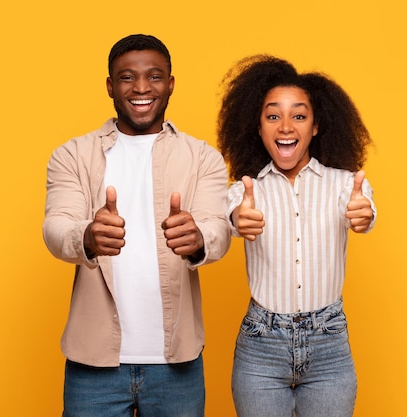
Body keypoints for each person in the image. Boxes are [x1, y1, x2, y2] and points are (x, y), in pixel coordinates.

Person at [43, 34, 231, 417]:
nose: (142, 87)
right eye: (127, 77)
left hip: (177, 363)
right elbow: (56, 226)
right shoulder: (72, 155)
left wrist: (198, 239)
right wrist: (87, 237)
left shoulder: (203, 158)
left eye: (154, 76)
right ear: (111, 86)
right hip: (93, 365)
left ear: (171, 84)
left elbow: (219, 229)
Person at [217, 55, 377, 417]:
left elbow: (363, 210)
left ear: (316, 126)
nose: (286, 126)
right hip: (261, 345)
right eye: (273, 116)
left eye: (299, 116)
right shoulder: (245, 190)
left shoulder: (344, 184)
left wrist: (363, 214)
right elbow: (231, 217)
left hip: (329, 343)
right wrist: (238, 219)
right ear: (257, 127)